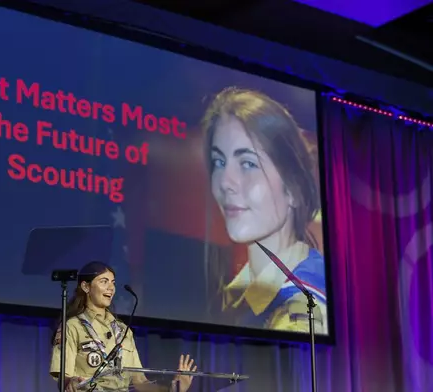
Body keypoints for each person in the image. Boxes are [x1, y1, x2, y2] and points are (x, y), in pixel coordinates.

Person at [201, 87, 328, 333]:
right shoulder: (235, 295)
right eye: (219, 162)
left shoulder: (302, 308)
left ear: (293, 188)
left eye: (248, 163)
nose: (225, 182)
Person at [49, 261, 197, 391]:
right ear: (86, 287)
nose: (111, 288)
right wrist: (71, 382)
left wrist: (173, 388)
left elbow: (141, 383)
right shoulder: (73, 326)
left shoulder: (123, 331)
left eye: (113, 282)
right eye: (104, 281)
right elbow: (63, 377)